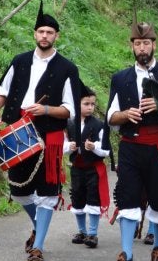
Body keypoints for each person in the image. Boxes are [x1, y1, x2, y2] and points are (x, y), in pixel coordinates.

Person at [0, 1, 81, 261]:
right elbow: (3, 90)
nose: (45, 36)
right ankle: (39, 227)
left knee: (48, 193)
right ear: (35, 34)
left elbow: (70, 109)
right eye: (41, 32)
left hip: (50, 134)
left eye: (49, 32)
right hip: (18, 131)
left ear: (56, 36)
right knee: (19, 191)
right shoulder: (20, 61)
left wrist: (46, 110)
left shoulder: (68, 68)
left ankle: (38, 246)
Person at [104, 16, 158, 261]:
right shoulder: (121, 78)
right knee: (128, 197)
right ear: (132, 46)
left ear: (154, 45)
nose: (142, 48)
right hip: (130, 146)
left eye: (146, 43)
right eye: (137, 43)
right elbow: (111, 115)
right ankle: (127, 252)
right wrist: (124, 114)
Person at [65, 84, 110, 249]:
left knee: (93, 198)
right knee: (77, 197)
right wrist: (68, 147)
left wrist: (95, 147)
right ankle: (82, 231)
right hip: (76, 168)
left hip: (93, 169)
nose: (90, 107)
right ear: (77, 103)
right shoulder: (69, 123)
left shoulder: (99, 125)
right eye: (86, 104)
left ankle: (92, 234)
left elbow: (106, 151)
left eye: (92, 104)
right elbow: (62, 144)